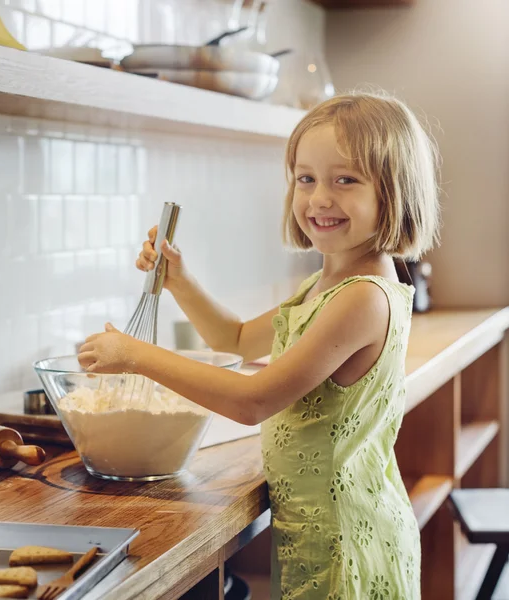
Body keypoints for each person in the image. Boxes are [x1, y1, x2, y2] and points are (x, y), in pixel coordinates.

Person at [78, 91, 441, 599]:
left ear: (395, 191)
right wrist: (180, 280)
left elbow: (252, 401)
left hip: (345, 544)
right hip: (322, 529)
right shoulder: (326, 287)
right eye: (305, 178)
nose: (319, 198)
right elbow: (235, 339)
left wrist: (136, 355)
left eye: (346, 180)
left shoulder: (360, 297)